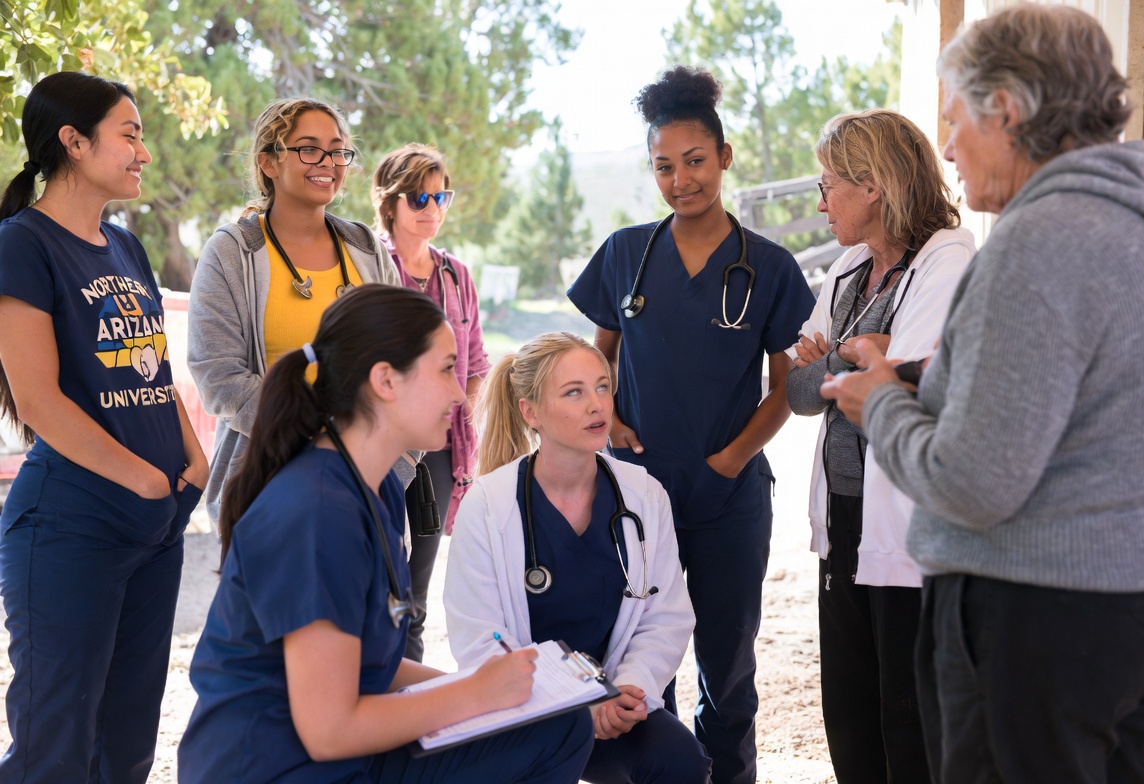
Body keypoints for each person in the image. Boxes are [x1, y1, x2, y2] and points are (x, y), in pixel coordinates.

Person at [820, 6, 1144, 783]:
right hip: (1135, 606)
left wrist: (879, 401)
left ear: (1006, 108)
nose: (946, 149)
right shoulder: (1143, 222)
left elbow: (971, 484)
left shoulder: (1037, 242)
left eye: (954, 122)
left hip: (1033, 620)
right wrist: (932, 377)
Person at [178, 285, 592, 782]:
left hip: (335, 755)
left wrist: (492, 688)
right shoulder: (316, 512)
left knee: (557, 725)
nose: (460, 392)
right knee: (554, 732)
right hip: (276, 766)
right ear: (386, 381)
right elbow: (328, 731)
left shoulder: (378, 489)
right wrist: (476, 694)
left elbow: (368, 661)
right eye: (444, 369)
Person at [566, 65, 816, 784]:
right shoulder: (625, 254)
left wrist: (730, 462)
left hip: (727, 501)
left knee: (728, 673)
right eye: (664, 167)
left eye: (696, 161)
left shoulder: (767, 267)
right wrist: (605, 415)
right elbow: (594, 359)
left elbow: (788, 388)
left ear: (725, 157)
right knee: (642, 673)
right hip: (635, 500)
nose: (682, 180)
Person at [0, 71, 209, 782]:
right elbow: (39, 402)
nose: (144, 152)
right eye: (130, 133)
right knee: (52, 749)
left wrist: (191, 459)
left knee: (127, 749)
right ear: (74, 142)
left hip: (157, 522)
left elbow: (149, 368)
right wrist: (144, 478)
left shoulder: (127, 247)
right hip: (71, 525)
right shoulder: (21, 244)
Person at [785, 109, 974, 784]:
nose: (820, 200)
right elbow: (800, 391)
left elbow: (913, 390)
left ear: (872, 186)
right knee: (852, 714)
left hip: (910, 523)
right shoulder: (846, 269)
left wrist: (848, 362)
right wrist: (862, 357)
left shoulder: (947, 261)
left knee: (913, 718)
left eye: (829, 183)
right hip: (844, 514)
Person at [444, 332, 710, 784]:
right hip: (524, 711)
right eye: (574, 392)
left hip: (614, 706)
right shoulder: (489, 505)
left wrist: (630, 689)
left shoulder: (643, 495)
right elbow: (480, 640)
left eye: (602, 386)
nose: (597, 405)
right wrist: (574, 703)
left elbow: (665, 618)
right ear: (531, 412)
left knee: (681, 761)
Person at [188, 97, 405, 533]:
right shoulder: (233, 252)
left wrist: (397, 459)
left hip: (370, 479)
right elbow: (218, 376)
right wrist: (317, 440)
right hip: (268, 483)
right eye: (308, 148)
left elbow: (406, 359)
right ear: (268, 162)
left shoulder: (366, 248)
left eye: (338, 149)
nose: (327, 162)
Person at [370, 143, 489, 662]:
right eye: (420, 198)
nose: (434, 210)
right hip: (381, 448)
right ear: (389, 203)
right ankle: (377, 679)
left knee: (418, 578)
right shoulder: (368, 266)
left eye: (442, 197)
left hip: (440, 450)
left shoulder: (457, 275)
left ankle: (407, 690)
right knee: (379, 567)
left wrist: (477, 431)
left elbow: (478, 365)